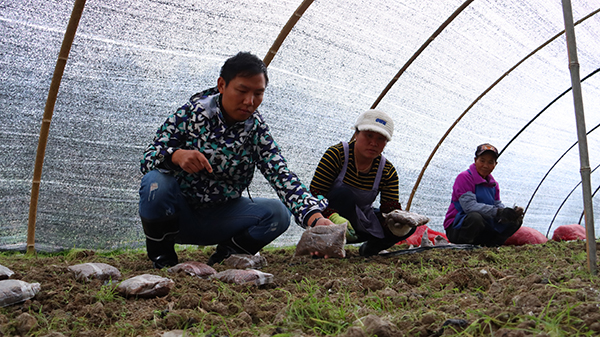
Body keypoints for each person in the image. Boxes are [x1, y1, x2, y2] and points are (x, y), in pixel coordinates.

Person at [138, 52, 333, 268]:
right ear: (222, 85)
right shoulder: (191, 114)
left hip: (222, 217)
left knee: (278, 213)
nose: (249, 102)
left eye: (258, 94)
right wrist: (176, 156)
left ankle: (227, 256)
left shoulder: (256, 130)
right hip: (177, 216)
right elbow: (148, 157)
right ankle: (162, 258)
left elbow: (281, 174)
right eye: (242, 91)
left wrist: (315, 217)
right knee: (156, 182)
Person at [309, 109, 417, 256]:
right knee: (343, 194)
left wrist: (398, 222)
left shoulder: (387, 170)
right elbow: (316, 193)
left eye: (381, 139)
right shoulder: (336, 155)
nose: (373, 143)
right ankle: (326, 245)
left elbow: (389, 208)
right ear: (356, 134)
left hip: (362, 218)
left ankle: (371, 249)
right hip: (330, 219)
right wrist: (331, 215)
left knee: (407, 226)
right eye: (369, 135)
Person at [443, 143, 523, 246]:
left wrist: (510, 212)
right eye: (482, 161)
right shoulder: (465, 177)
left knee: (515, 221)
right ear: (475, 160)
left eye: (490, 162)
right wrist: (498, 212)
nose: (485, 165)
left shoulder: (493, 184)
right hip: (458, 227)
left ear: (495, 164)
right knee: (475, 217)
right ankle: (464, 247)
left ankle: (491, 246)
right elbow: (469, 207)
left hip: (483, 226)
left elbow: (497, 204)